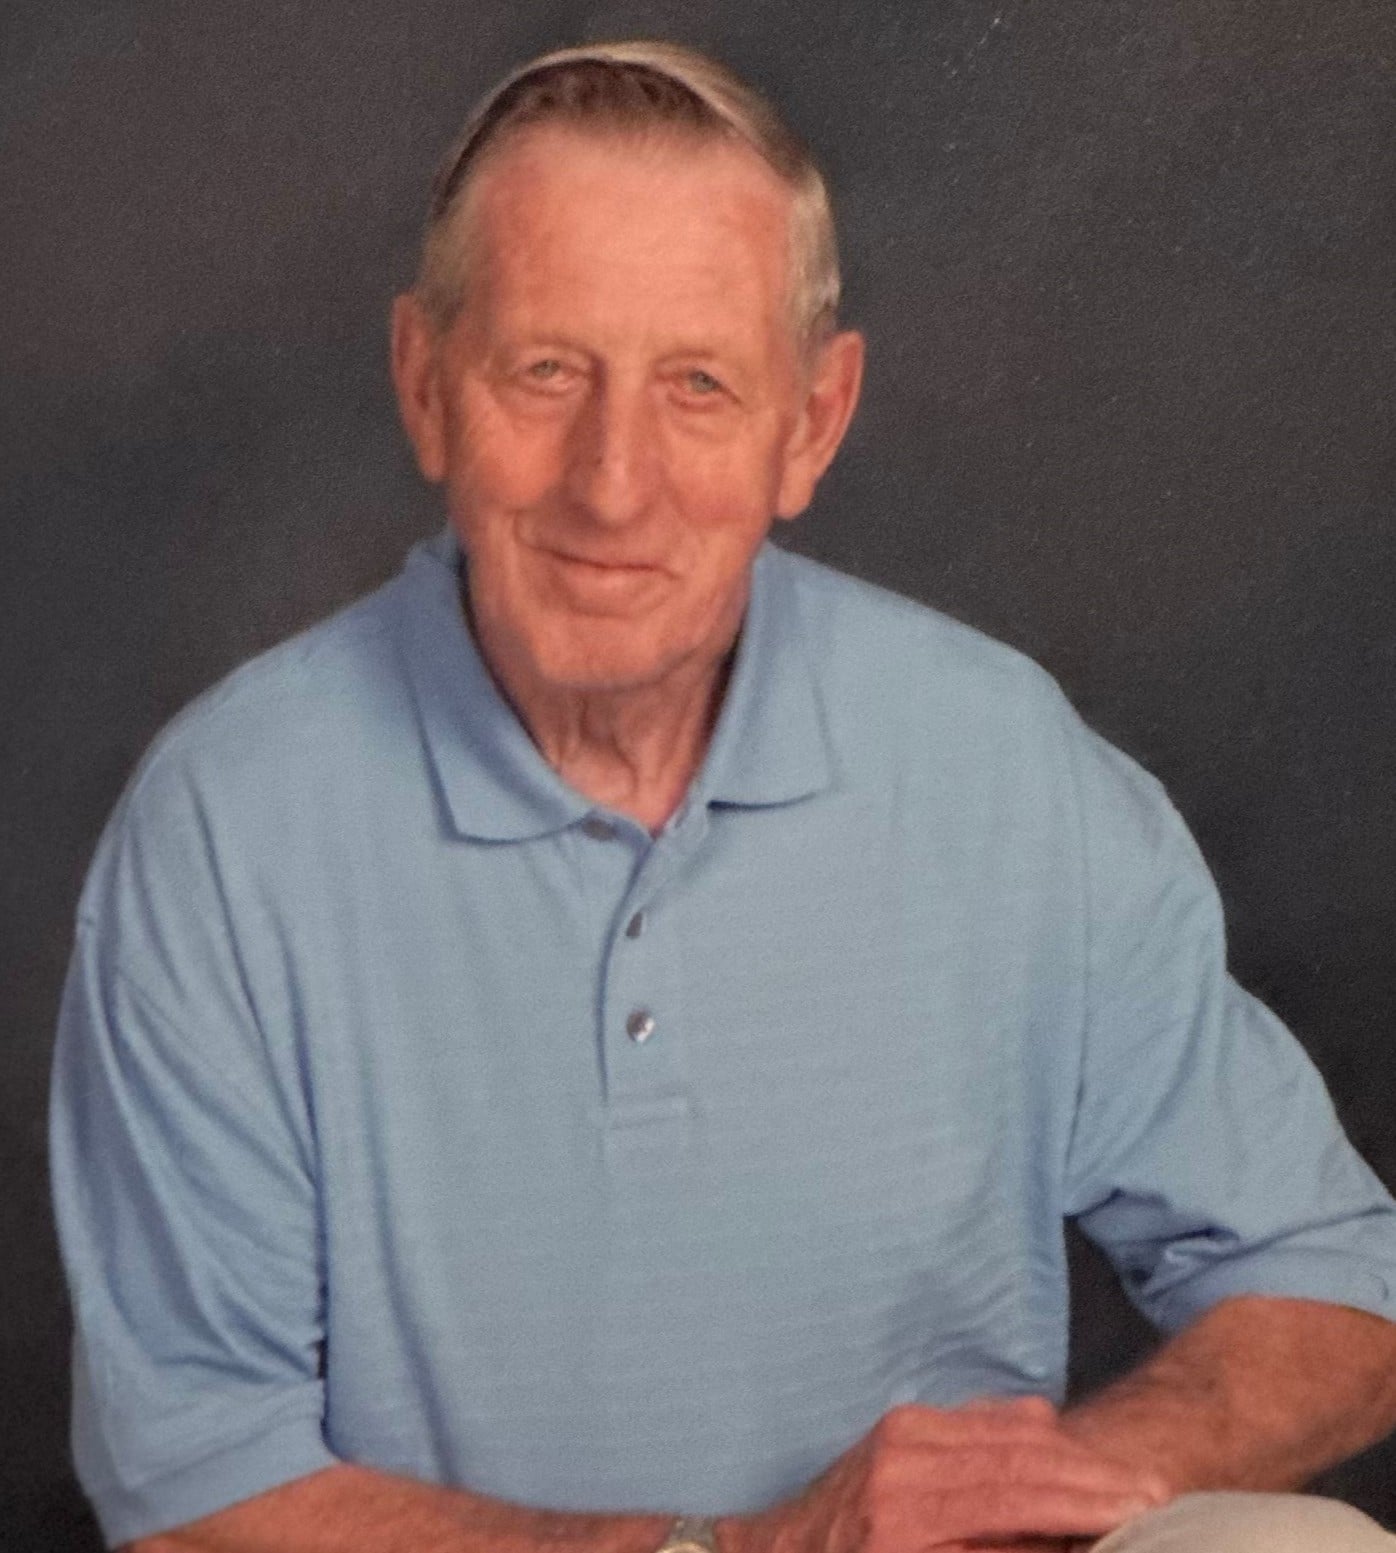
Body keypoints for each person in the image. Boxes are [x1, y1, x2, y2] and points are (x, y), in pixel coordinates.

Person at [50, 39, 1396, 1553]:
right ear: (425, 386)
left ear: (810, 422)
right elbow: (197, 1492)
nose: (612, 483)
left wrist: (1062, 1483)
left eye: (697, 384)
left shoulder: (1003, 765)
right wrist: (729, 1551)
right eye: (546, 372)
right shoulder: (229, 827)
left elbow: (1336, 1283)